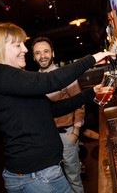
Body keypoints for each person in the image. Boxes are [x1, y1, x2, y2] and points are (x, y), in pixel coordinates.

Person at [0, 22, 115, 193]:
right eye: (17, 44)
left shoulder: (6, 79)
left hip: (37, 173)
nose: (25, 50)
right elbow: (50, 81)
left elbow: (52, 109)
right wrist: (92, 59)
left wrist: (91, 92)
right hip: (37, 174)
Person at [32, 36, 85, 193]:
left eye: (46, 51)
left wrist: (76, 131)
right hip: (45, 139)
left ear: (53, 53)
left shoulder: (65, 75)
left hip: (66, 135)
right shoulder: (32, 81)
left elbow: (79, 103)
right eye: (38, 53)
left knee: (74, 177)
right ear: (34, 56)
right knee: (51, 181)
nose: (43, 56)